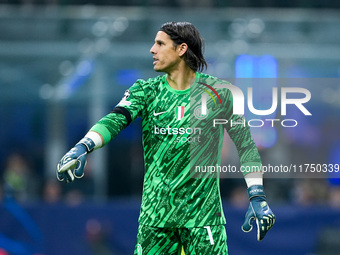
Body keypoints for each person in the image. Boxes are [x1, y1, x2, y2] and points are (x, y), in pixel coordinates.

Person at [57, 21, 275, 255]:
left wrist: (257, 195)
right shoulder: (146, 91)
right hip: (156, 221)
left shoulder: (220, 94)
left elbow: (246, 146)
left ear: (181, 49)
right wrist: (83, 146)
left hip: (204, 221)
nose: (152, 49)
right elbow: (114, 120)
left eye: (160, 43)